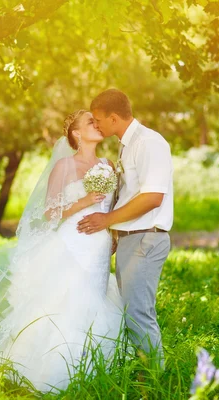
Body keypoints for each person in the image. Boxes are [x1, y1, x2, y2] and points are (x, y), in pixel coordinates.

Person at [0, 110, 124, 392]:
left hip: (100, 245)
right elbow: (51, 212)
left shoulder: (109, 165)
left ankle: (94, 371)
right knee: (70, 300)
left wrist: (113, 233)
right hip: (72, 241)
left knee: (96, 298)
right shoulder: (64, 166)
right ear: (77, 134)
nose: (97, 125)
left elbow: (113, 207)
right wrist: (84, 201)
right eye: (90, 122)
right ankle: (55, 372)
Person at [77, 89, 173, 370]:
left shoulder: (149, 143)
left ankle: (156, 382)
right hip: (133, 238)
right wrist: (117, 230)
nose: (96, 125)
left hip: (146, 238)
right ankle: (146, 376)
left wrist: (107, 221)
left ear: (114, 118)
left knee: (138, 314)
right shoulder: (127, 145)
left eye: (98, 120)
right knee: (131, 313)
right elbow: (131, 194)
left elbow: (153, 196)